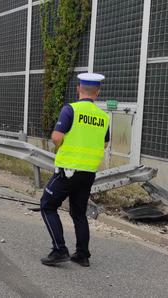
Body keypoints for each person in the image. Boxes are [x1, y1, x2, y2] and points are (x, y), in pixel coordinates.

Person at [39, 73, 110, 267]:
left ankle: (59, 250)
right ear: (98, 92)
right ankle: (82, 255)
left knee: (47, 205)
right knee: (78, 213)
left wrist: (64, 146)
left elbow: (56, 137)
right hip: (88, 173)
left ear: (79, 88)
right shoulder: (103, 117)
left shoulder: (70, 110)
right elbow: (104, 144)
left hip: (68, 170)